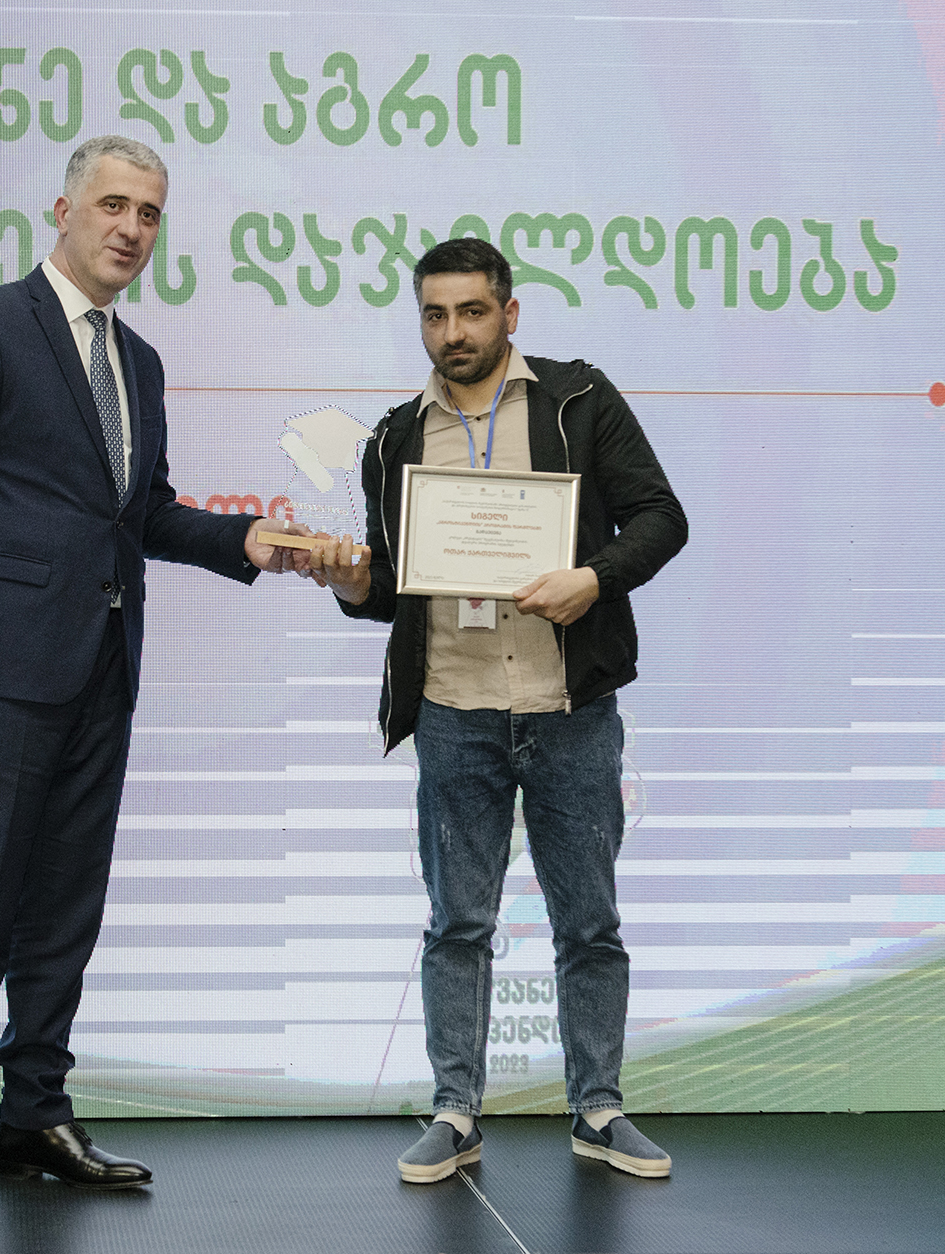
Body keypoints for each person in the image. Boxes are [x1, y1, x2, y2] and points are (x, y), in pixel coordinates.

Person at [0, 135, 310, 1221]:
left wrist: (247, 539)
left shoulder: (141, 362)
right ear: (63, 209)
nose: (131, 228)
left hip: (102, 672)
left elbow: (142, 512)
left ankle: (34, 1114)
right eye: (114, 205)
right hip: (0, 675)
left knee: (66, 911)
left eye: (150, 213)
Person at [306, 238, 687, 1183]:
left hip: (568, 707)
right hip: (454, 708)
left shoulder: (577, 399)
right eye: (435, 315)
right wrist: (351, 585)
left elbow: (661, 518)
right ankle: (455, 1112)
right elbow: (392, 587)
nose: (454, 333)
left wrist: (593, 578)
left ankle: (598, 1109)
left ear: (509, 314)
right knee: (456, 925)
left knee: (588, 923)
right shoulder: (394, 439)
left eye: (472, 312)